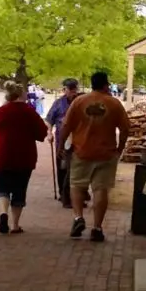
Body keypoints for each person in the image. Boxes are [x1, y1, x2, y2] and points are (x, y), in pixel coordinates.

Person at [59, 71, 129, 242]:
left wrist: (61, 146)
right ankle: (97, 227)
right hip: (106, 153)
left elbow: (66, 125)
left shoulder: (79, 101)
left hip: (82, 151)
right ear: (106, 85)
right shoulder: (114, 104)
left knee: (76, 185)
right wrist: (120, 148)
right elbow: (126, 128)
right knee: (101, 189)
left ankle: (78, 217)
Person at [0, 81, 48, 234]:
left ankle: (2, 213)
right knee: (20, 189)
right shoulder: (29, 111)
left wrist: (2, 107)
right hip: (25, 156)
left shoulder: (4, 110)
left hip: (4, 154)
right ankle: (15, 225)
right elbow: (42, 133)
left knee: (3, 187)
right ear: (22, 95)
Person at [45, 78, 88, 208]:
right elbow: (49, 120)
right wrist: (49, 132)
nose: (73, 92)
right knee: (63, 169)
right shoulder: (58, 104)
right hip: (62, 141)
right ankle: (64, 195)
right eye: (71, 89)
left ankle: (72, 195)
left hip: (79, 141)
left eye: (75, 89)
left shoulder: (81, 102)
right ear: (64, 90)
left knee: (76, 169)